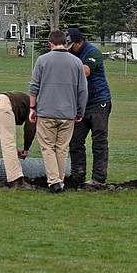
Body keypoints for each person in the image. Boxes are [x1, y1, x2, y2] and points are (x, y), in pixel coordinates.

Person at [28, 30, 88, 193]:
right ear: (65, 43)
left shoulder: (42, 60)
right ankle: (59, 182)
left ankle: (54, 181)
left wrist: (32, 108)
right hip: (68, 113)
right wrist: (80, 111)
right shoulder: (76, 62)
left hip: (46, 112)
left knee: (48, 147)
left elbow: (34, 86)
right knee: (62, 148)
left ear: (50, 44)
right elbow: (83, 90)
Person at [67, 27, 112, 187]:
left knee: (99, 141)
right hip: (81, 104)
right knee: (75, 141)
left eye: (72, 46)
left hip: (98, 102)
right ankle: (77, 176)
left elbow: (85, 71)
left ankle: (98, 179)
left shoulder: (94, 53)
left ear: (79, 42)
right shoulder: (71, 54)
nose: (70, 49)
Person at [0, 91, 37, 188]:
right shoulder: (35, 106)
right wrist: (26, 149)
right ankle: (17, 180)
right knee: (8, 143)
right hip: (2, 104)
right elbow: (30, 129)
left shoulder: (24, 99)